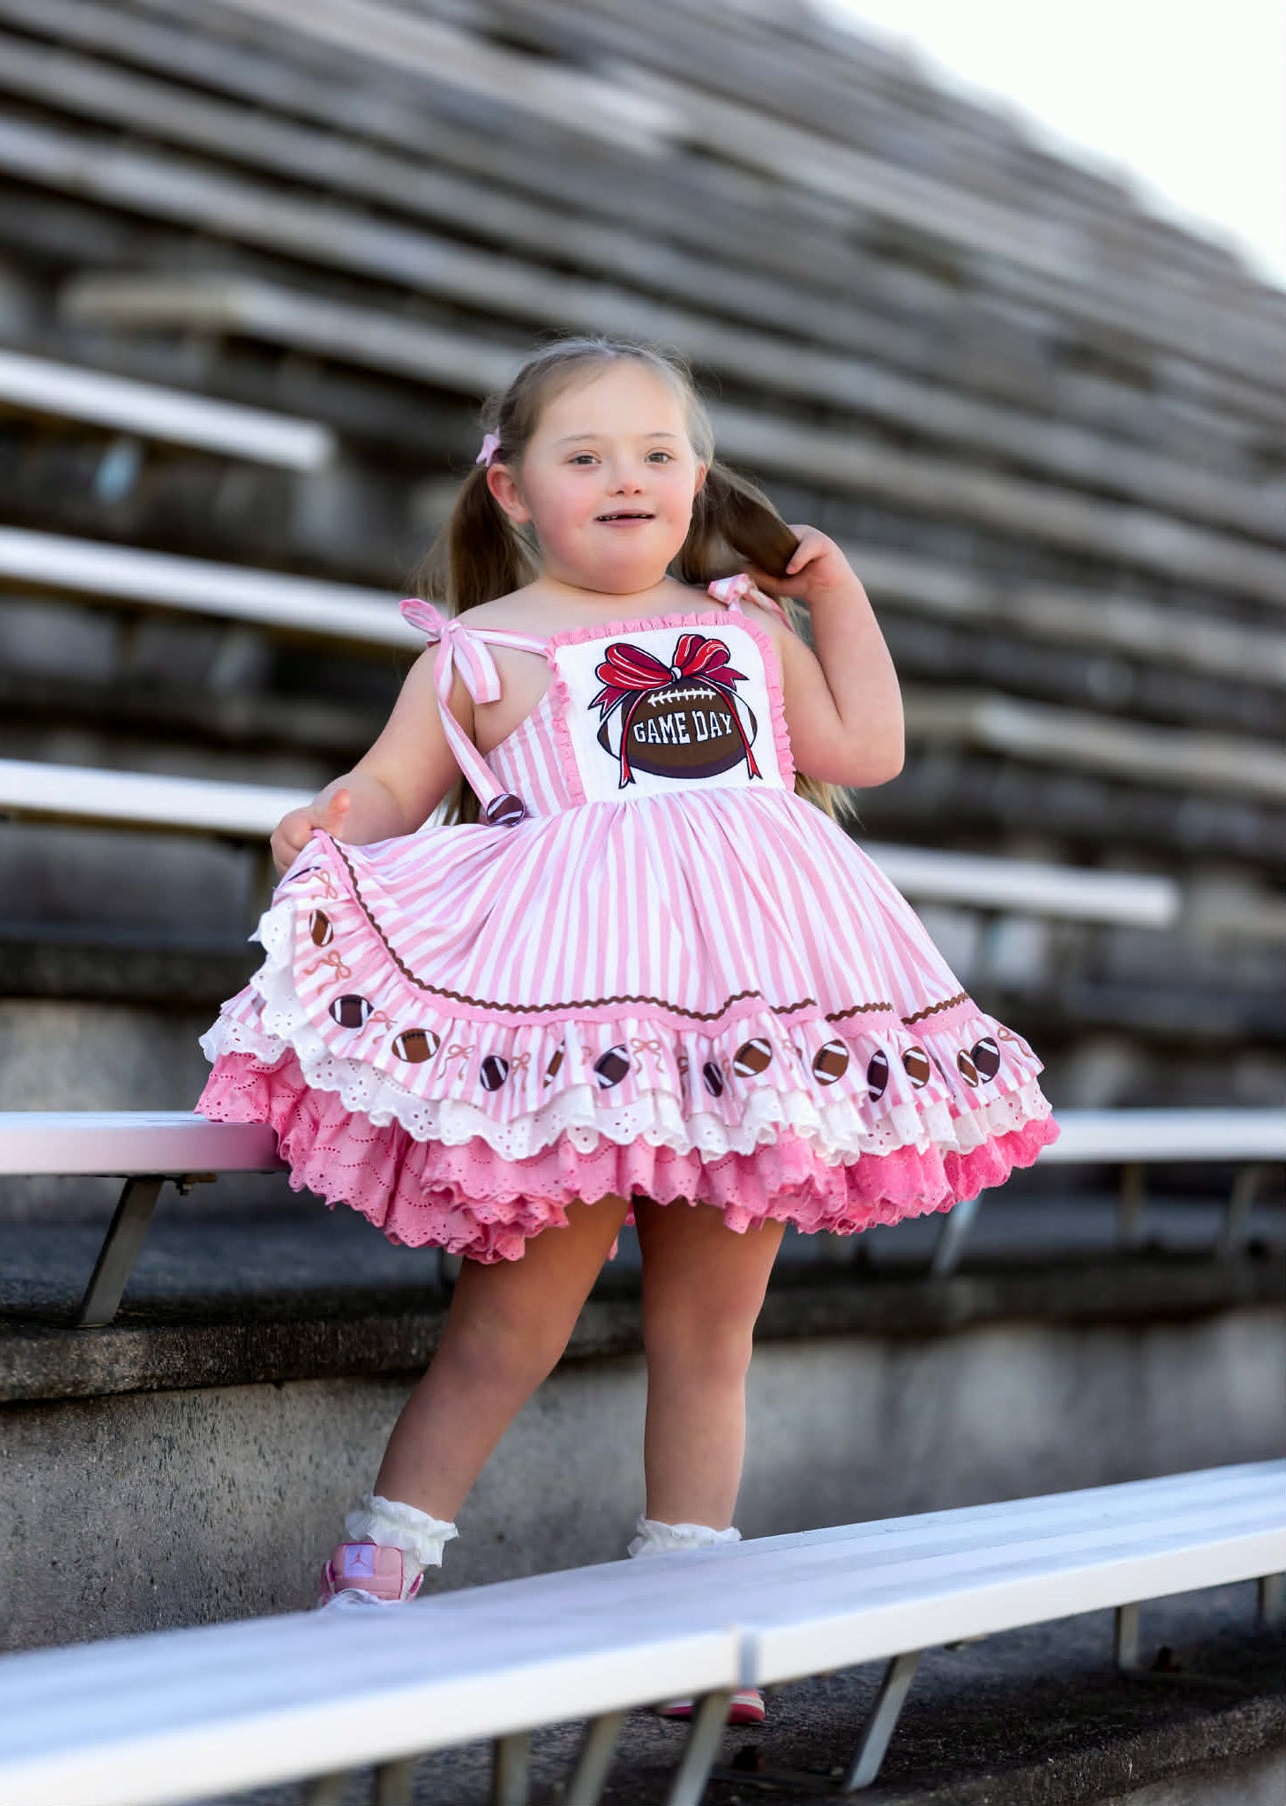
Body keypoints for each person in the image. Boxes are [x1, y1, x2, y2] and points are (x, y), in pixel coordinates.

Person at [196, 335, 1059, 1725]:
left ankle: (685, 1594)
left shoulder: (743, 632)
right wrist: (321, 823)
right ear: (512, 487)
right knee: (510, 1319)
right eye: (584, 454)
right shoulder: (479, 650)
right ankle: (379, 1566)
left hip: (741, 1033)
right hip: (569, 1034)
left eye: (657, 454)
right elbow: (386, 789)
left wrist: (832, 595)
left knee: (710, 1328)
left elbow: (865, 748)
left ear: (698, 478)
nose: (626, 477)